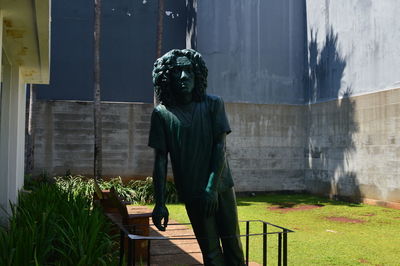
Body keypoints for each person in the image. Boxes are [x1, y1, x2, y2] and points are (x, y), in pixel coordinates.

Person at [148, 49, 245, 266]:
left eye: (189, 71)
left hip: (220, 187)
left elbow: (220, 147)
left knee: (233, 247)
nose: (184, 77)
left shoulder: (213, 104)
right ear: (167, 77)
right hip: (192, 192)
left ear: (197, 74)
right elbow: (160, 161)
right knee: (210, 253)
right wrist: (160, 203)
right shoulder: (162, 114)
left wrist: (211, 188)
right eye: (177, 72)